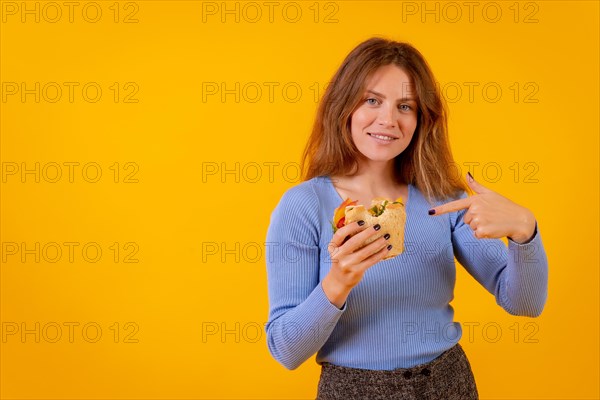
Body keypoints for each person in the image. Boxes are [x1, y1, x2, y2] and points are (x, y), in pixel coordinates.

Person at [264, 37, 548, 400]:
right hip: (355, 390)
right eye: (372, 100)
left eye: (405, 106)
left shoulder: (444, 199)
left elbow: (524, 302)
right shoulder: (303, 206)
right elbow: (285, 350)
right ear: (343, 106)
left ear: (421, 119)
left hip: (449, 384)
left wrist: (525, 232)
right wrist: (338, 281)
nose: (388, 120)